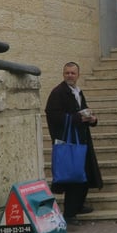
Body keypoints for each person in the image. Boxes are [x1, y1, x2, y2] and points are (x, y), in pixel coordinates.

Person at [45, 61, 103, 220]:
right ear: (63, 74)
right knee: (74, 177)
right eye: (67, 73)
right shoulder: (58, 92)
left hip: (82, 141)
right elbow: (53, 115)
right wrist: (77, 118)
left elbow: (82, 110)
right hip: (69, 143)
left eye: (72, 73)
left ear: (78, 75)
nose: (70, 75)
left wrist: (92, 119)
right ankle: (69, 214)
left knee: (83, 175)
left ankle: (78, 206)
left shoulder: (77, 91)